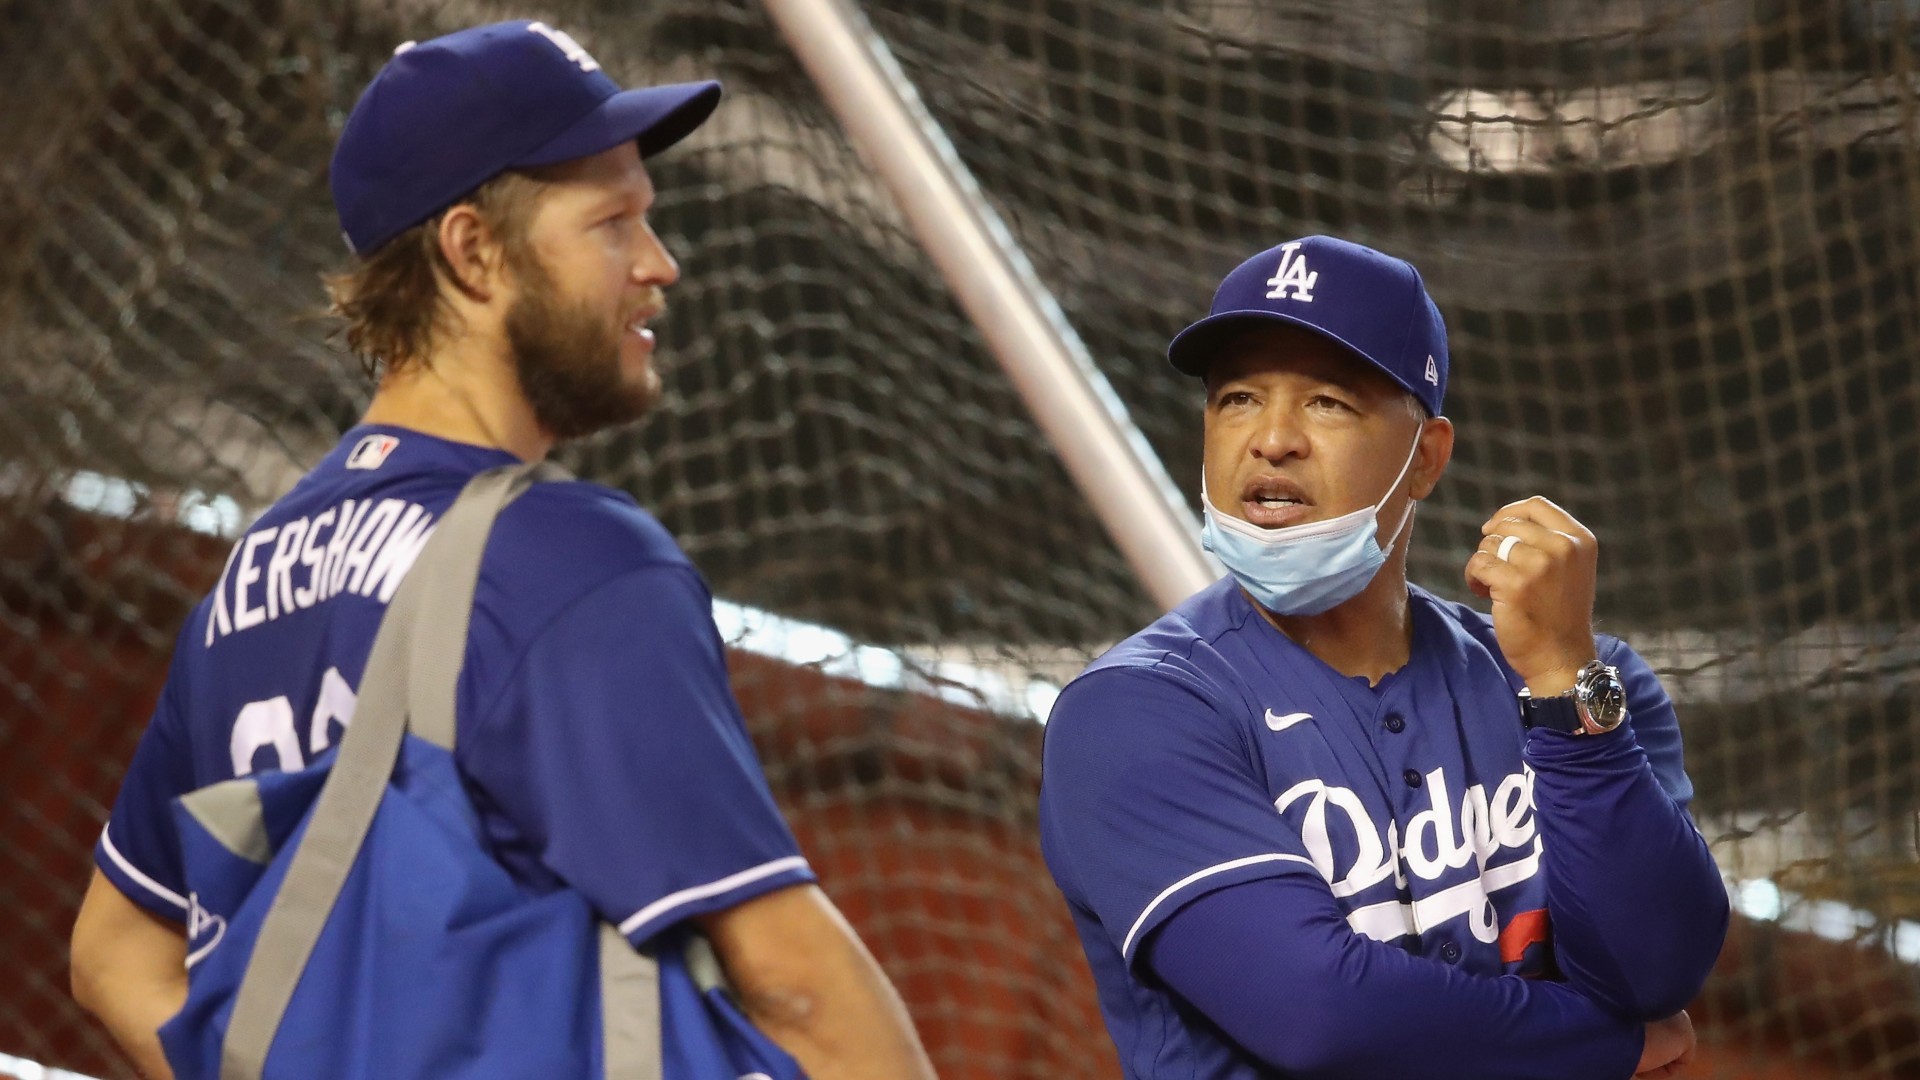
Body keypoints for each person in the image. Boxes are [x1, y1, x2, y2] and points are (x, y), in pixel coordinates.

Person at [68, 21, 935, 1080]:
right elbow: (798, 983)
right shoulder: (564, 561)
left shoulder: (250, 578)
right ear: (472, 250)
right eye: (613, 223)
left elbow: (115, 954)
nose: (658, 266)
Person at [1038, 236, 1729, 1079]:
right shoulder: (1133, 713)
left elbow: (1658, 965)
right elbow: (1320, 1013)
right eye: (1239, 399)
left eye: (1328, 402)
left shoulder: (1589, 681)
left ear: (1427, 456)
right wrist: (1609, 1045)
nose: (1272, 440)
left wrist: (1561, 682)